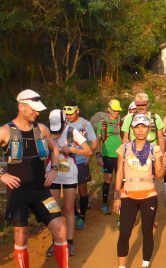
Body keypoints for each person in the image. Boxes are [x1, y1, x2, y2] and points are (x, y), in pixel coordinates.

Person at [0, 89, 87, 268]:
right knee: (21, 235)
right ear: (21, 106)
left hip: (41, 190)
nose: (37, 113)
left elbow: (54, 149)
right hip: (18, 193)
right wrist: (0, 174)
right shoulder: (5, 131)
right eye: (33, 109)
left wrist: (54, 169)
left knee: (60, 229)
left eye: (38, 110)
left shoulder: (41, 129)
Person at [110, 114, 166, 268]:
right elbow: (119, 172)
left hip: (148, 194)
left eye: (144, 126)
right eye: (137, 127)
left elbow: (158, 175)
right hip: (128, 195)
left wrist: (164, 166)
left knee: (147, 232)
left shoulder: (154, 149)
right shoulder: (124, 148)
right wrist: (117, 196)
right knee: (124, 233)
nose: (141, 130)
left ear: (149, 129)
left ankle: (145, 267)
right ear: (132, 130)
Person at [46, 109, 92, 256]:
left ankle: (69, 243)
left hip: (69, 175)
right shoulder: (46, 133)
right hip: (52, 175)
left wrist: (72, 149)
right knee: (54, 211)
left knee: (69, 209)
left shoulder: (72, 132)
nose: (57, 132)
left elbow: (88, 151)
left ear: (64, 122)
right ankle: (56, 242)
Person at [64, 101, 98, 230]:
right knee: (69, 190)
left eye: (71, 114)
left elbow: (94, 141)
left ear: (77, 111)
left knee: (82, 188)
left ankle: (82, 216)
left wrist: (90, 154)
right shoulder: (63, 123)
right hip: (67, 163)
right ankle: (74, 214)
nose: (68, 116)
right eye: (66, 114)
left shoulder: (85, 124)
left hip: (80, 161)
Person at [98, 100, 124, 215]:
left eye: (118, 111)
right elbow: (98, 139)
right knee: (107, 178)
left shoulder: (121, 122)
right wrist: (98, 155)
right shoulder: (103, 122)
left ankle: (121, 201)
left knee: (121, 178)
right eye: (114, 110)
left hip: (120, 155)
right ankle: (104, 204)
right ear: (109, 109)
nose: (116, 112)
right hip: (107, 154)